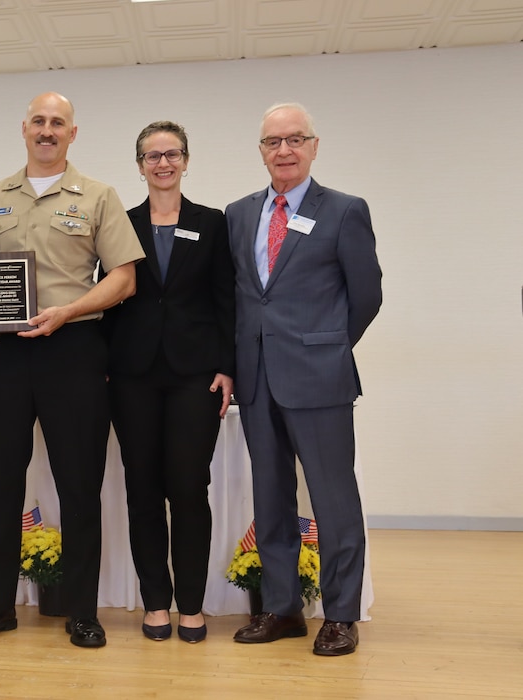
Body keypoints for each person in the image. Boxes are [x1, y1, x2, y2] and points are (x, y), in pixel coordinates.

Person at [0, 92, 144, 648]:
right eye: (38, 121)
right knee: (0, 484)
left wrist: (70, 310)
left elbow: (123, 278)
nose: (47, 129)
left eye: (57, 122)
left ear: (72, 133)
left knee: (80, 487)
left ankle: (82, 612)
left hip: (74, 351)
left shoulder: (99, 196)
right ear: (24, 129)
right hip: (5, 357)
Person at [225, 103, 382, 656]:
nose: (284, 150)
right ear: (262, 151)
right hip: (256, 377)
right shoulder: (239, 214)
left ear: (314, 146)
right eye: (273, 142)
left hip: (320, 378)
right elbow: (242, 297)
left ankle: (339, 615)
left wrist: (327, 346)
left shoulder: (343, 210)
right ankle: (282, 608)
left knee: (333, 500)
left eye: (295, 139)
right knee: (269, 499)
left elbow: (367, 295)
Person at [104, 121, 235, 643]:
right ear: (139, 166)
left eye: (171, 153)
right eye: (152, 156)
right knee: (142, 488)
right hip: (132, 374)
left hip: (195, 374)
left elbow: (227, 298)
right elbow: (108, 292)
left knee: (187, 486)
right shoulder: (120, 221)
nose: (163, 163)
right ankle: (155, 602)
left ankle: (192, 605)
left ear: (185, 160)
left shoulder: (212, 221)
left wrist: (228, 365)